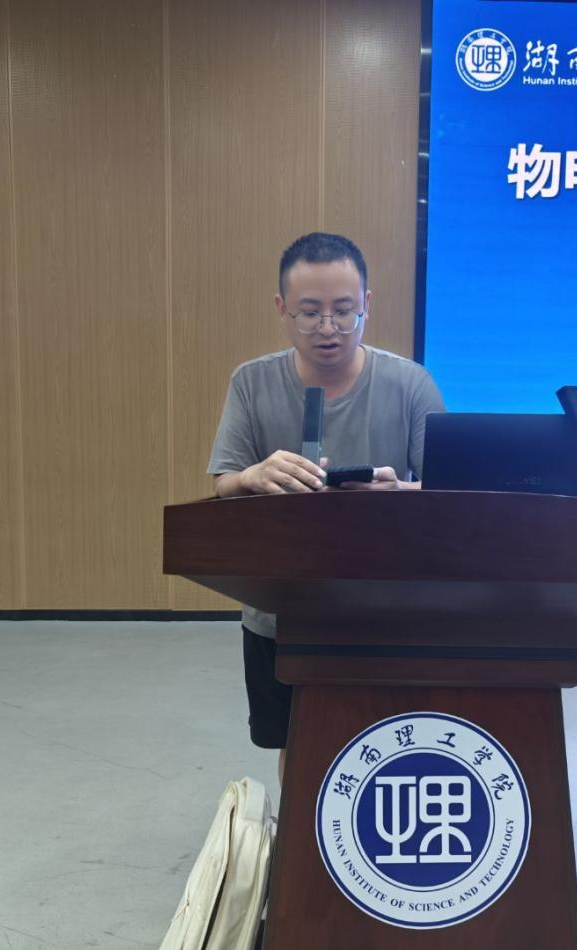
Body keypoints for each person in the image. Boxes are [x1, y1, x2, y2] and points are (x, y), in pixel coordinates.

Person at [206, 232, 445, 771]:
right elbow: (223, 482)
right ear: (281, 309)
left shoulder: (410, 384)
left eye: (344, 311)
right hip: (281, 606)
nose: (329, 328)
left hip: (387, 607)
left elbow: (450, 490)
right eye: (310, 313)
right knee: (297, 748)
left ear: (367, 304)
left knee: (390, 743)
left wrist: (398, 492)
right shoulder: (251, 382)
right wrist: (254, 475)